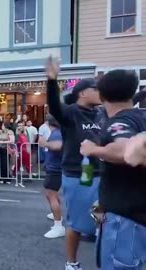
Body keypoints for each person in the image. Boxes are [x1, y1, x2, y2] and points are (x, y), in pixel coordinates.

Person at [79, 69, 146, 270]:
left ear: (102, 95)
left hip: (125, 220)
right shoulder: (139, 118)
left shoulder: (119, 122)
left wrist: (94, 149)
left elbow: (125, 149)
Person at [46, 56, 103, 270]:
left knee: (103, 219)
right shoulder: (71, 113)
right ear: (83, 93)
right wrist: (52, 80)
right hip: (80, 174)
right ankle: (71, 263)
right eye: (96, 88)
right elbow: (54, 105)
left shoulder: (100, 114)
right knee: (78, 223)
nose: (101, 92)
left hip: (102, 173)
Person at [38, 115, 65, 238]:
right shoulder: (57, 133)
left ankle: (58, 226)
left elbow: (58, 146)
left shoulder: (56, 134)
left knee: (51, 195)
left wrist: (44, 143)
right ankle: (57, 216)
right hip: (54, 168)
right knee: (52, 194)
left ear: (48, 123)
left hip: (55, 169)